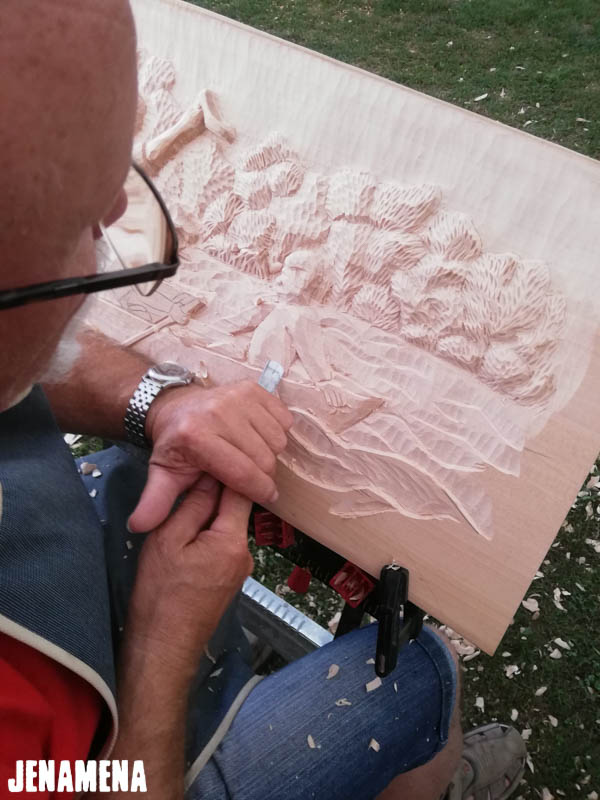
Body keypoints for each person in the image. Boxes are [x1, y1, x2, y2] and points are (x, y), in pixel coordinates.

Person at [0, 1, 526, 798]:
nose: (114, 220)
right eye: (82, 227)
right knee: (420, 671)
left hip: (44, 575)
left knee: (142, 481)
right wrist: (160, 647)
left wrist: (159, 402)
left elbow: (23, 349)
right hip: (108, 762)